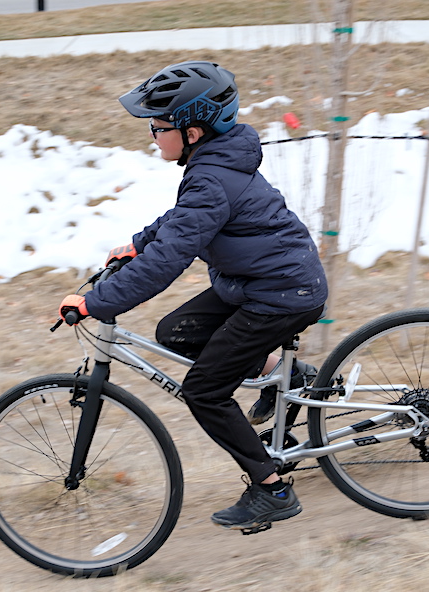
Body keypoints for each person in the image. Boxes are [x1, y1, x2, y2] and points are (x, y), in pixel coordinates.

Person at [57, 61, 328, 532]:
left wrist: (95, 303)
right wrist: (139, 242)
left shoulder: (211, 175)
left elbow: (167, 263)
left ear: (194, 131)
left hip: (282, 294)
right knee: (174, 334)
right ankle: (286, 374)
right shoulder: (213, 166)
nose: (152, 136)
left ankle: (272, 489)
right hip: (258, 282)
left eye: (158, 127)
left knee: (204, 390)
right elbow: (182, 221)